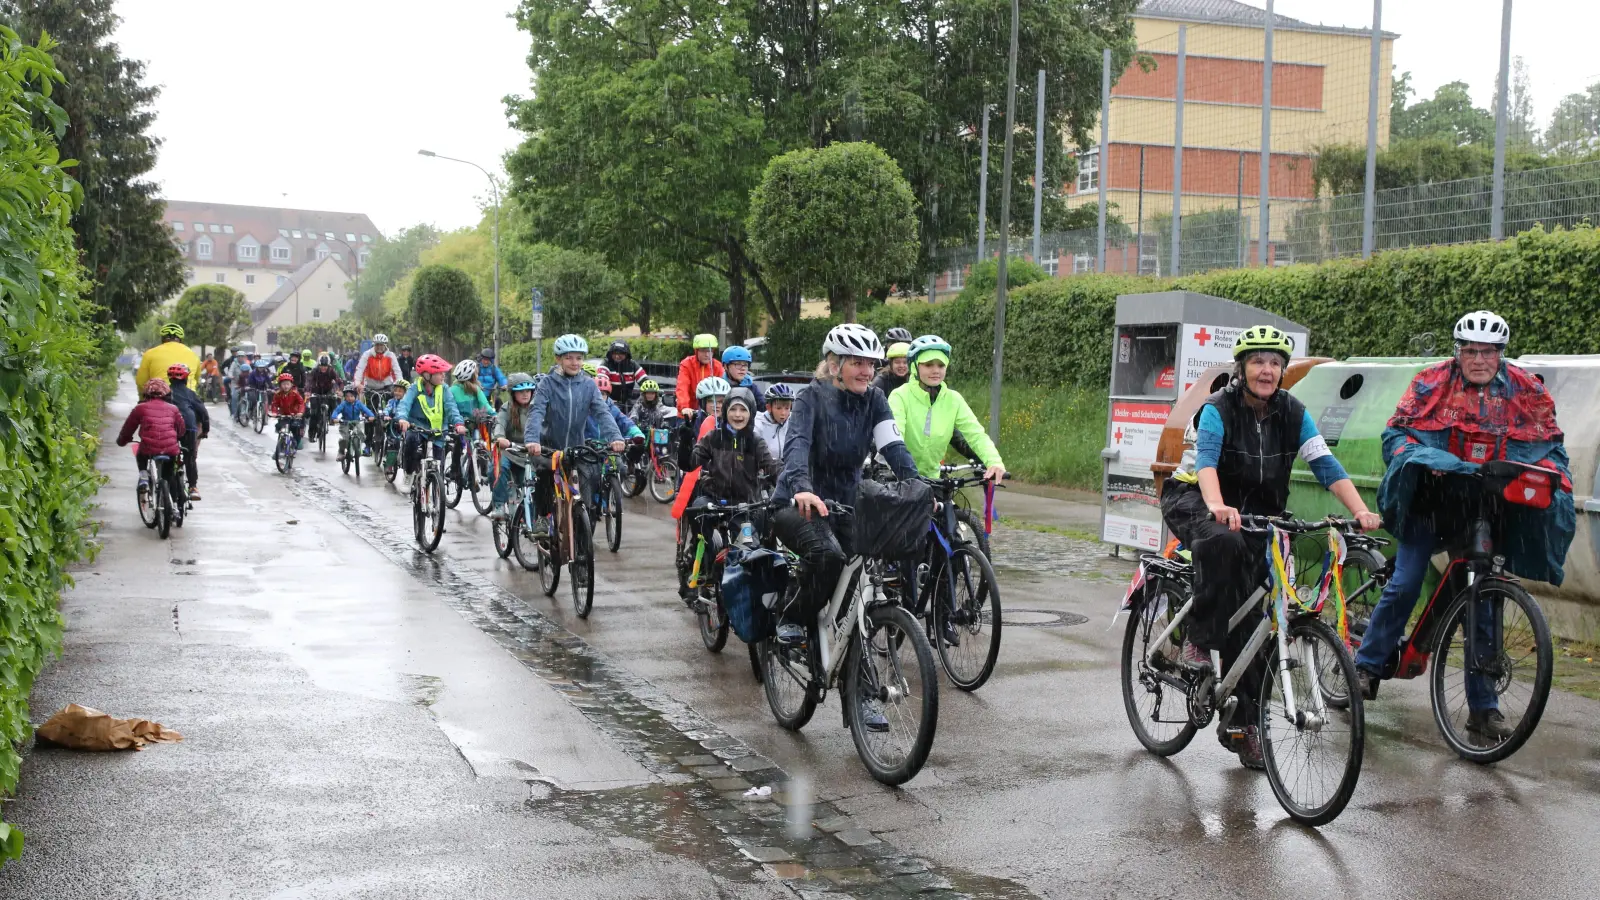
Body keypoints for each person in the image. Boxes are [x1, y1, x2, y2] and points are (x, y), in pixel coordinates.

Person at [1159, 325, 1381, 770]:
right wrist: (1217, 505)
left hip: (1258, 514)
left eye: (1276, 362)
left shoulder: (1294, 413)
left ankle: (1245, 728)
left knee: (1263, 615)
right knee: (1222, 542)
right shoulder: (1218, 409)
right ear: (1243, 368)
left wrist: (1360, 510)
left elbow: (1324, 463)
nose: (1267, 369)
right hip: (1195, 498)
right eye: (1258, 361)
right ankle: (1197, 643)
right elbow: (1205, 464)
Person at [1353, 310, 1572, 743]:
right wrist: (1428, 460)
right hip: (1432, 503)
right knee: (1406, 581)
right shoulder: (1430, 382)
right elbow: (1395, 436)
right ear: (1459, 352)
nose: (1478, 359)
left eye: (1487, 352)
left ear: (1500, 354)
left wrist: (1548, 476)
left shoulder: (1526, 390)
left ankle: (1483, 710)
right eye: (1470, 351)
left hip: (1487, 508)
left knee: (1484, 600)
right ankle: (1367, 664)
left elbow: (1552, 448)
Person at [773, 324, 920, 730]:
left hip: (846, 504)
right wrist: (802, 488)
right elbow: (797, 446)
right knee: (829, 557)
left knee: (865, 591)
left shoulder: (874, 400)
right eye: (857, 363)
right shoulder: (810, 398)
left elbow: (893, 446)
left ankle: (862, 697)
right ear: (834, 364)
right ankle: (791, 616)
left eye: (871, 364)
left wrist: (918, 484)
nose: (866, 371)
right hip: (797, 503)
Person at [522, 335, 625, 536]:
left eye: (578, 358)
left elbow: (602, 412)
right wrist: (532, 440)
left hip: (577, 448)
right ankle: (542, 518)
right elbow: (536, 412)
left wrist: (616, 437)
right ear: (558, 359)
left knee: (588, 486)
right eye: (569, 358)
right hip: (549, 447)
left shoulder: (588, 386)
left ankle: (581, 532)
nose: (574, 363)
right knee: (545, 476)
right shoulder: (547, 385)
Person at [888, 335, 1004, 481]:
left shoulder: (953, 399)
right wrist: (908, 474)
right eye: (929, 365)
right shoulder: (900, 396)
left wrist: (993, 461)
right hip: (901, 478)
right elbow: (896, 439)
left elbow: (976, 434)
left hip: (934, 479)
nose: (936, 370)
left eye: (941, 365)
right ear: (914, 366)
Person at [396, 354, 468, 491]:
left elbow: (451, 407)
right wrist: (402, 419)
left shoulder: (444, 388)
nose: (443, 376)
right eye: (439, 373)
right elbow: (404, 404)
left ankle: (437, 495)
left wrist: (458, 424)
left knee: (437, 467)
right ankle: (409, 473)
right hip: (417, 427)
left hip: (438, 430)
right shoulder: (414, 388)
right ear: (427, 375)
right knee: (410, 441)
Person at [116, 379, 186, 503]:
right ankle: (174, 505)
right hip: (170, 449)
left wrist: (122, 441)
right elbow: (181, 430)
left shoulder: (140, 408)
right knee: (169, 476)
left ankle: (143, 476)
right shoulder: (174, 408)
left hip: (149, 448)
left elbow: (128, 428)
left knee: (141, 455)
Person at [490, 372, 539, 520]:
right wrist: (499, 437)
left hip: (529, 454)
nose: (525, 394)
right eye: (521, 391)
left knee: (535, 483)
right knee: (499, 469)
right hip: (510, 451)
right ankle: (498, 505)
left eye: (528, 391)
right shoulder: (507, 408)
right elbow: (499, 423)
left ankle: (531, 514)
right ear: (513, 394)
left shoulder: (537, 408)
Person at [165, 364, 209, 501]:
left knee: (168, 458)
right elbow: (203, 412)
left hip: (168, 429)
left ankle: (165, 484)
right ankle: (193, 488)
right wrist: (205, 430)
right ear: (185, 379)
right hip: (188, 427)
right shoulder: (190, 394)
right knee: (190, 457)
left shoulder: (164, 393)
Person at [353, 334, 403, 450]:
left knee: (392, 413)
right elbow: (360, 369)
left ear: (385, 346)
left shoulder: (391, 356)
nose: (379, 347)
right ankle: (368, 444)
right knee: (369, 416)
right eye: (377, 345)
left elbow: (397, 372)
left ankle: (391, 439)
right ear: (374, 345)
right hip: (371, 386)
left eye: (382, 345)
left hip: (387, 386)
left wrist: (400, 386)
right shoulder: (367, 355)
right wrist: (358, 384)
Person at [450, 359, 496, 482]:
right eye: (476, 373)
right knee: (461, 444)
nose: (477, 374)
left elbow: (484, 404)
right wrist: (494, 414)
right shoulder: (456, 390)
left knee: (477, 445)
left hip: (472, 424)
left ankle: (469, 470)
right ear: (472, 375)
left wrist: (492, 414)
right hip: (462, 425)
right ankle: (456, 471)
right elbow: (484, 405)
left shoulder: (474, 389)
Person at [676, 334, 724, 449]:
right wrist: (684, 407)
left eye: (710, 351)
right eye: (703, 351)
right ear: (696, 351)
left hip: (711, 412)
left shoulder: (717, 366)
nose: (707, 354)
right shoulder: (687, 364)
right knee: (685, 445)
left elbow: (723, 389)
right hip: (689, 413)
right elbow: (682, 387)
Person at [679, 375, 730, 472]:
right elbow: (687, 459)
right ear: (703, 403)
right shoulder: (694, 421)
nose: (717, 406)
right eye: (711, 401)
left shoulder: (731, 423)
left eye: (721, 402)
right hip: (697, 472)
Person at [627, 378, 676, 471]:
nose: (650, 395)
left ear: (656, 395)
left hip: (653, 435)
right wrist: (635, 423)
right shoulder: (639, 406)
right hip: (640, 434)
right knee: (638, 449)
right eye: (648, 393)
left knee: (661, 449)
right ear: (643, 394)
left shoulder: (657, 407)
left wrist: (665, 426)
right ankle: (631, 464)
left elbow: (661, 419)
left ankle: (658, 471)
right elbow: (633, 416)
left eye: (652, 393)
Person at [134, 323, 201, 391]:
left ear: (162, 339)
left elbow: (141, 382)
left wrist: (143, 399)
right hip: (188, 398)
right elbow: (197, 379)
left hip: (159, 396)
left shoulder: (149, 353)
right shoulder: (193, 354)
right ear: (180, 339)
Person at [753, 383, 794, 464]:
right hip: (764, 469)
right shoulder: (758, 422)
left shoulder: (794, 421)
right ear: (769, 408)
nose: (783, 413)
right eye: (778, 408)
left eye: (787, 408)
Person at [329, 387, 376, 457]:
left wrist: (371, 416)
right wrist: (334, 418)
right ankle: (341, 451)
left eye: (351, 396)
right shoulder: (343, 404)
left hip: (356, 422)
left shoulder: (358, 404)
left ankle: (363, 448)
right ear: (345, 397)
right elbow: (336, 410)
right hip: (345, 422)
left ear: (355, 396)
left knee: (361, 434)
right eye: (347, 396)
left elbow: (366, 410)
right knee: (345, 438)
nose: (349, 398)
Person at [267, 372, 308, 450]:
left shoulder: (295, 393)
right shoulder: (278, 394)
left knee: (296, 429)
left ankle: (295, 444)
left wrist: (300, 412)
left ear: (291, 385)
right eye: (283, 384)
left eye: (287, 384)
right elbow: (274, 404)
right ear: (280, 385)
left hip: (294, 415)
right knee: (280, 427)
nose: (285, 386)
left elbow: (301, 403)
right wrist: (275, 412)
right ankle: (279, 449)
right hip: (284, 415)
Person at [598, 340, 644, 407]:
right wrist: (607, 400)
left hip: (629, 404)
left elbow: (645, 381)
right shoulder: (606, 363)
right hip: (610, 404)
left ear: (626, 354)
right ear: (610, 354)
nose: (617, 356)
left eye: (620, 354)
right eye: (614, 353)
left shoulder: (632, 365)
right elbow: (601, 382)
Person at [720, 345, 765, 413]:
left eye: (745, 365)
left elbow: (763, 408)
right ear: (726, 366)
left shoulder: (751, 386)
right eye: (738, 364)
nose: (743, 368)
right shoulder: (719, 386)